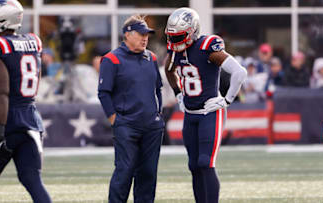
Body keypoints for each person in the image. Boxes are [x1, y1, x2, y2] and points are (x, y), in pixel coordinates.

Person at [164, 8, 247, 203]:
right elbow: (169, 70)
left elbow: (239, 72)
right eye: (172, 37)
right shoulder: (175, 52)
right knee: (193, 165)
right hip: (190, 114)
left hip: (210, 112)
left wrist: (227, 100)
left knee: (205, 162)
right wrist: (178, 94)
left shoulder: (206, 47)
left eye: (179, 37)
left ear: (193, 31)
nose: (174, 42)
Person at [98, 14, 164, 203]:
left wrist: (158, 115)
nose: (145, 38)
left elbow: (157, 88)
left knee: (148, 173)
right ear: (127, 34)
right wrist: (115, 120)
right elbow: (103, 93)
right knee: (124, 171)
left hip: (151, 126)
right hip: (127, 125)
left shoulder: (151, 58)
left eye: (147, 34)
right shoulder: (112, 59)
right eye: (141, 34)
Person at [0, 0, 52, 202]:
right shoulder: (33, 42)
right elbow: (37, 79)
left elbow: (1, 92)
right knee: (32, 180)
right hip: (31, 120)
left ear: (2, 19)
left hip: (5, 119)